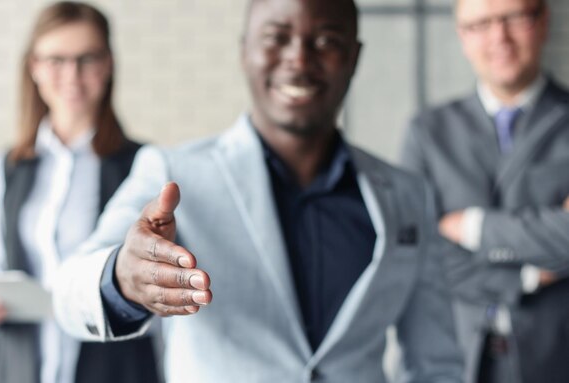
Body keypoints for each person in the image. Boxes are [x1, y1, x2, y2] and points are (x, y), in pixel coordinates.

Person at [54, 0, 463, 381]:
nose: (299, 60)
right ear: (244, 51)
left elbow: (435, 362)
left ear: (354, 57)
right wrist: (122, 278)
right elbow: (69, 294)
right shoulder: (174, 171)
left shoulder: (408, 196)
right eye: (277, 38)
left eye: (326, 41)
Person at [0, 2, 160, 383]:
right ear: (33, 67)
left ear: (108, 64)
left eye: (87, 59)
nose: (72, 75)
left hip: (114, 369)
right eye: (55, 60)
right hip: (19, 368)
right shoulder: (7, 167)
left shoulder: (144, 165)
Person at [401, 0, 569, 382]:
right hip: (452, 357)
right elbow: (416, 252)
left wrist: (475, 228)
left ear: (542, 20)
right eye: (480, 24)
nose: (500, 37)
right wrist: (526, 276)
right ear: (462, 36)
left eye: (513, 18)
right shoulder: (428, 132)